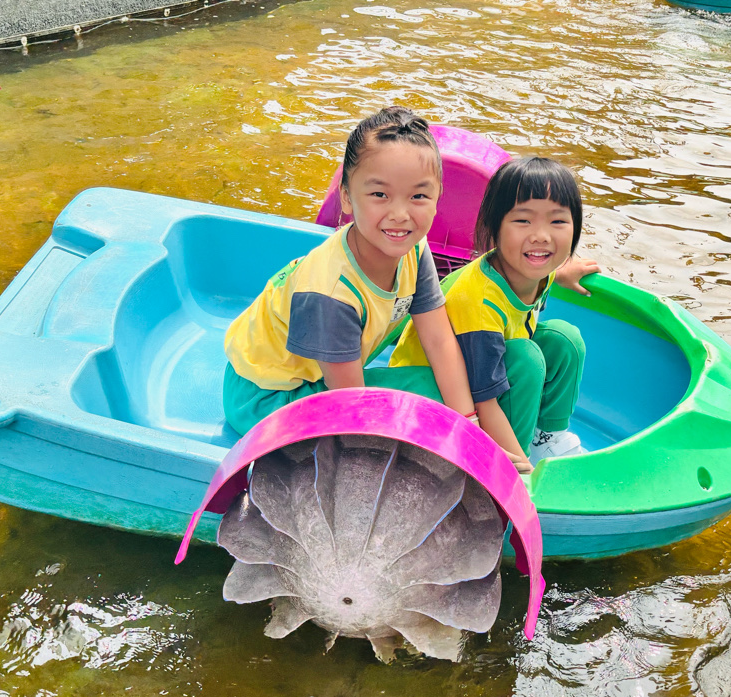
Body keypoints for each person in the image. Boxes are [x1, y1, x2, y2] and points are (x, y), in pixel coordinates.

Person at [223, 106, 482, 441]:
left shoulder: (413, 249)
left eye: (418, 196)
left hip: (323, 375)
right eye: (379, 195)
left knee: (462, 387)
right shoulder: (330, 293)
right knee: (428, 402)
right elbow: (352, 412)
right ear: (346, 197)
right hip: (266, 399)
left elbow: (438, 339)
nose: (400, 214)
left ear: (437, 199)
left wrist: (470, 423)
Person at [390, 157, 599, 471]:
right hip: (433, 393)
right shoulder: (479, 302)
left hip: (482, 371)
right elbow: (483, 402)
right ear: (494, 228)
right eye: (523, 221)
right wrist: (522, 472)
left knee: (564, 340)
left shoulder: (534, 269)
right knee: (526, 359)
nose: (541, 236)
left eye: (557, 222)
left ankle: (546, 438)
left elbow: (548, 264)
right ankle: (513, 460)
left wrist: (563, 271)